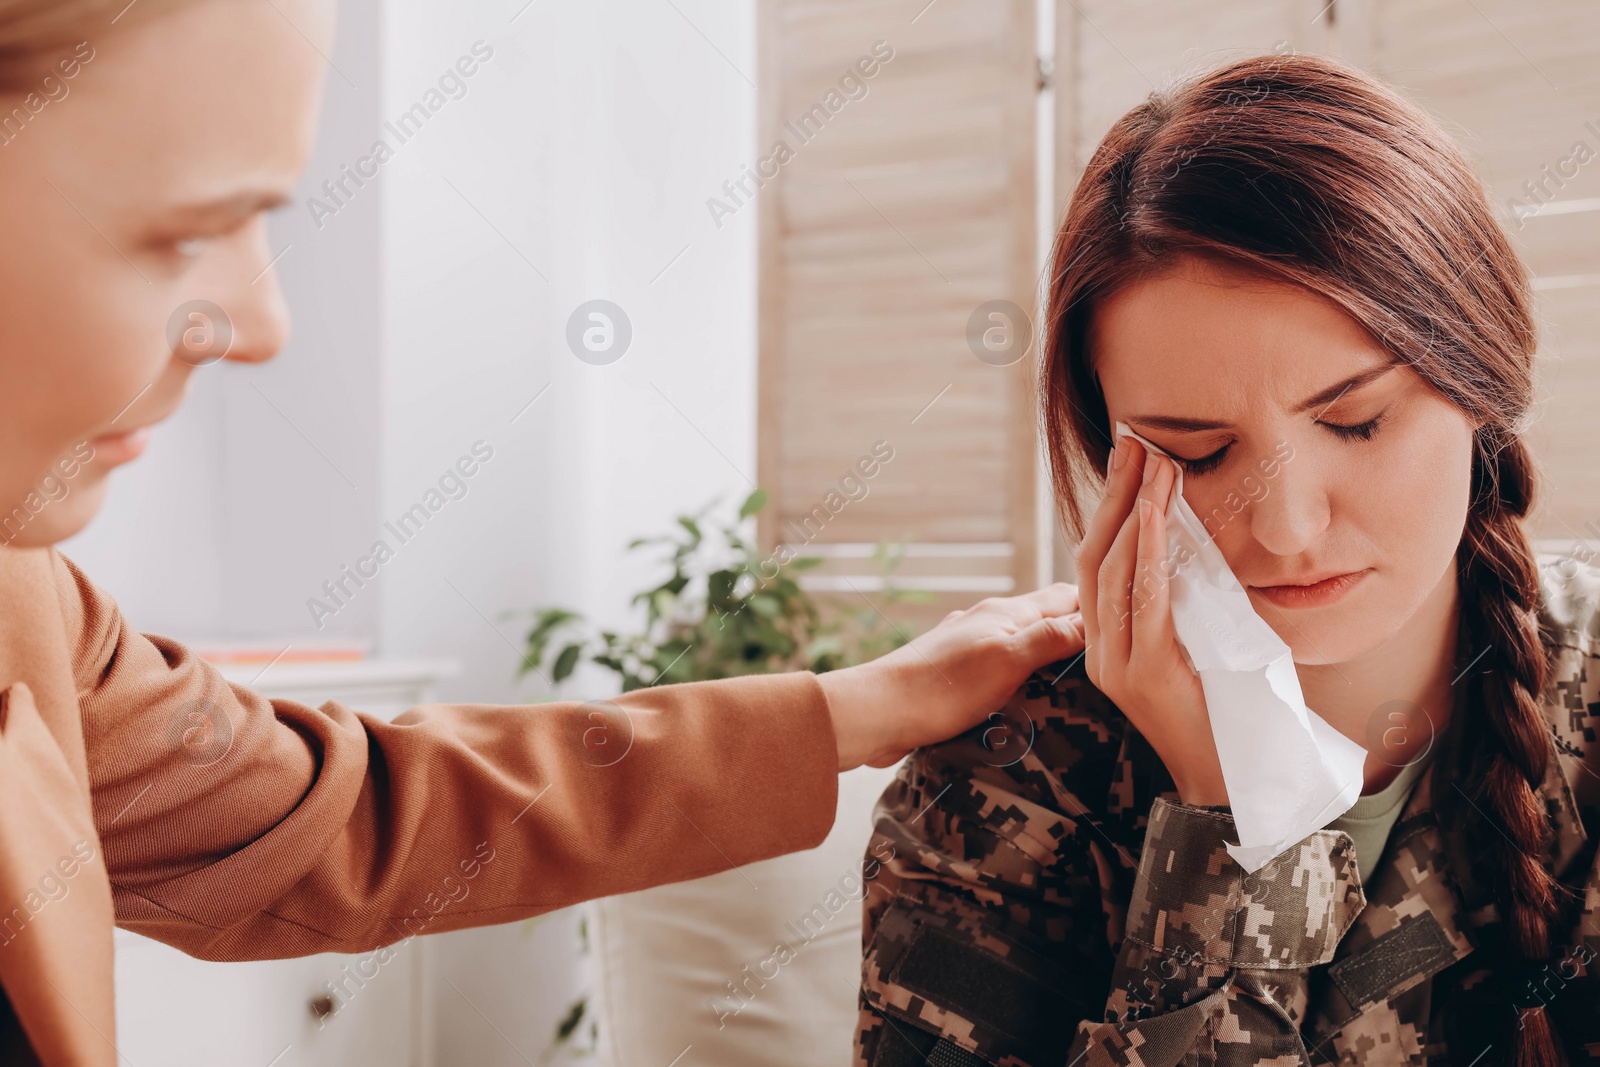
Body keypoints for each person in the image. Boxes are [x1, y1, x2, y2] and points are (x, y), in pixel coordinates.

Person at [0, 1, 1088, 1063]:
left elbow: (349, 820)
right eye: (186, 231)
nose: (264, 328)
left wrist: (867, 703)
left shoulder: (30, 611)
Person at [856, 52, 1600, 1067]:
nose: (1287, 525)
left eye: (1357, 420)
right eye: (1197, 453)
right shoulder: (998, 783)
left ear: (1482, 380)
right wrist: (1218, 821)